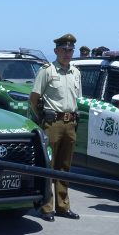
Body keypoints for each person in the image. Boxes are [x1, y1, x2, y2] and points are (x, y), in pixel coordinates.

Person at [29, 33, 82, 221]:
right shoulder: (47, 70)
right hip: (52, 123)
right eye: (64, 50)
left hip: (70, 123)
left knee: (64, 167)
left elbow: (77, 99)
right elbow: (34, 99)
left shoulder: (76, 73)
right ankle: (46, 207)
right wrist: (41, 118)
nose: (67, 53)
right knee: (48, 166)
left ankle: (63, 206)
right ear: (56, 51)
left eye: (70, 50)